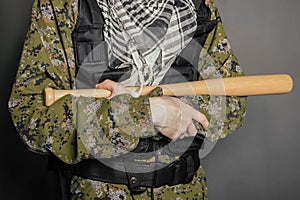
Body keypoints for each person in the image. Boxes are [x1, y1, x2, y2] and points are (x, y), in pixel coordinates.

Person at [8, 0, 247, 199]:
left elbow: (233, 105)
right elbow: (31, 116)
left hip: (186, 191)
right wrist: (142, 114)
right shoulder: (64, 6)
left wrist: (176, 109)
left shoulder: (198, 8)